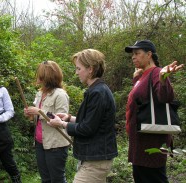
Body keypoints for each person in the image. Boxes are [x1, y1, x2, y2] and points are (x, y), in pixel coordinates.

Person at [48, 49, 118, 183]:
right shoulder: (97, 90)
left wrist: (62, 124)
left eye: (78, 68)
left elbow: (87, 128)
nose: (76, 72)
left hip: (96, 160)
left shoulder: (98, 93)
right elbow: (93, 122)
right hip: (94, 158)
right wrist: (69, 118)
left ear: (90, 69)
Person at [124, 40, 184, 183]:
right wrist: (136, 79)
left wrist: (163, 79)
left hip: (151, 141)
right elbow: (141, 100)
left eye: (137, 53)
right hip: (139, 140)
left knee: (154, 178)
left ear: (149, 54)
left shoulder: (157, 72)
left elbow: (165, 97)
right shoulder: (142, 75)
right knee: (142, 177)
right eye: (132, 54)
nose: (133, 57)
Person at [24, 60, 70, 183]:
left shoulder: (60, 95)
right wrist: (30, 114)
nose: (36, 76)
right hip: (40, 142)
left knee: (57, 179)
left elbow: (60, 119)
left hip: (55, 144)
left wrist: (38, 111)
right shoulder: (40, 93)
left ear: (47, 76)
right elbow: (37, 118)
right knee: (46, 179)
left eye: (39, 74)